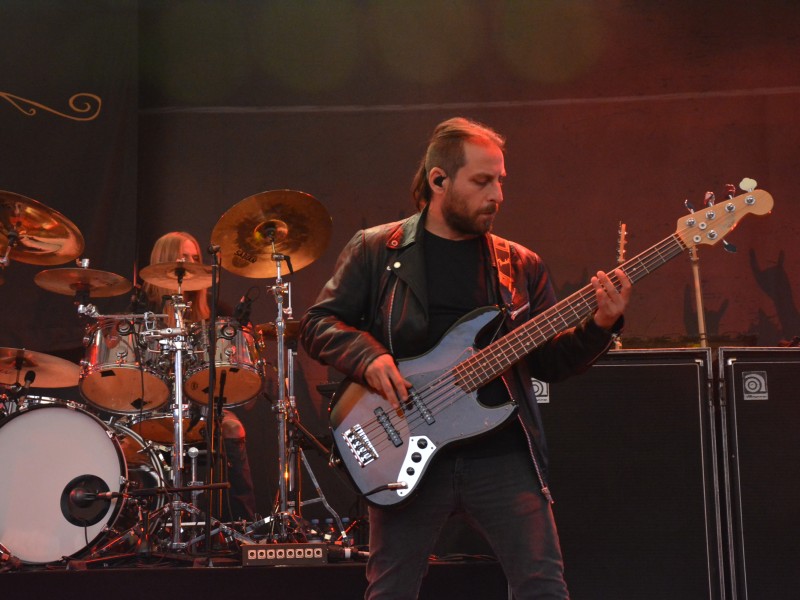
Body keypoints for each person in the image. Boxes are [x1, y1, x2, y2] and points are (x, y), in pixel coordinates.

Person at [300, 117, 631, 599]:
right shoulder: (377, 248)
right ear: (438, 180)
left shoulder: (520, 265)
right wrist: (369, 358)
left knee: (543, 587)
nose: (497, 193)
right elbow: (318, 324)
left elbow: (549, 363)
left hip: (502, 456)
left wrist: (602, 326)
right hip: (404, 445)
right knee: (391, 591)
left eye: (500, 180)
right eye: (482, 181)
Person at [141, 231, 257, 522]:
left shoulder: (218, 313)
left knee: (234, 428)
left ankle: (242, 522)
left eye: (196, 258)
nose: (191, 264)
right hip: (152, 406)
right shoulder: (143, 311)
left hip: (203, 407)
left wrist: (247, 343)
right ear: (165, 261)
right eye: (183, 257)